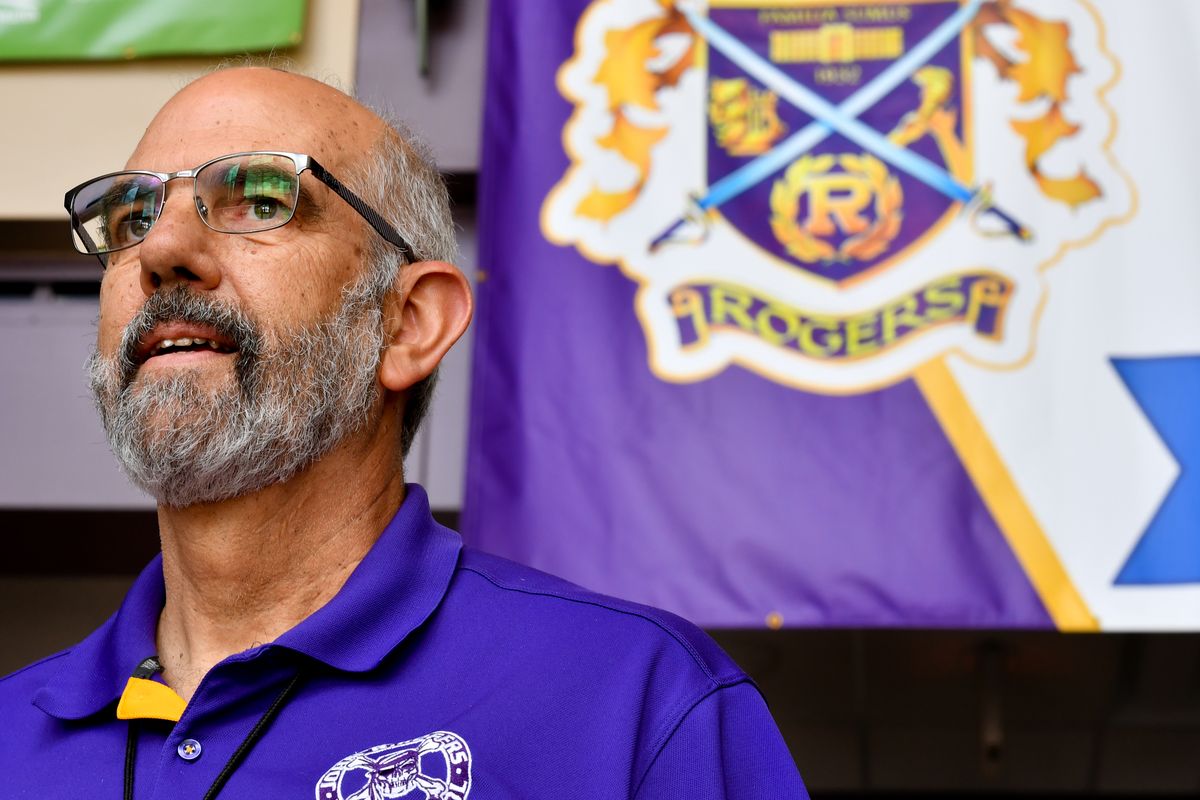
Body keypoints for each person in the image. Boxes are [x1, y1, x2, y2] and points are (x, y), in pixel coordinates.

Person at [0, 67, 807, 799]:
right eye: (133, 214)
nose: (163, 250)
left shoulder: (637, 703)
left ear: (410, 324)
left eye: (261, 198)